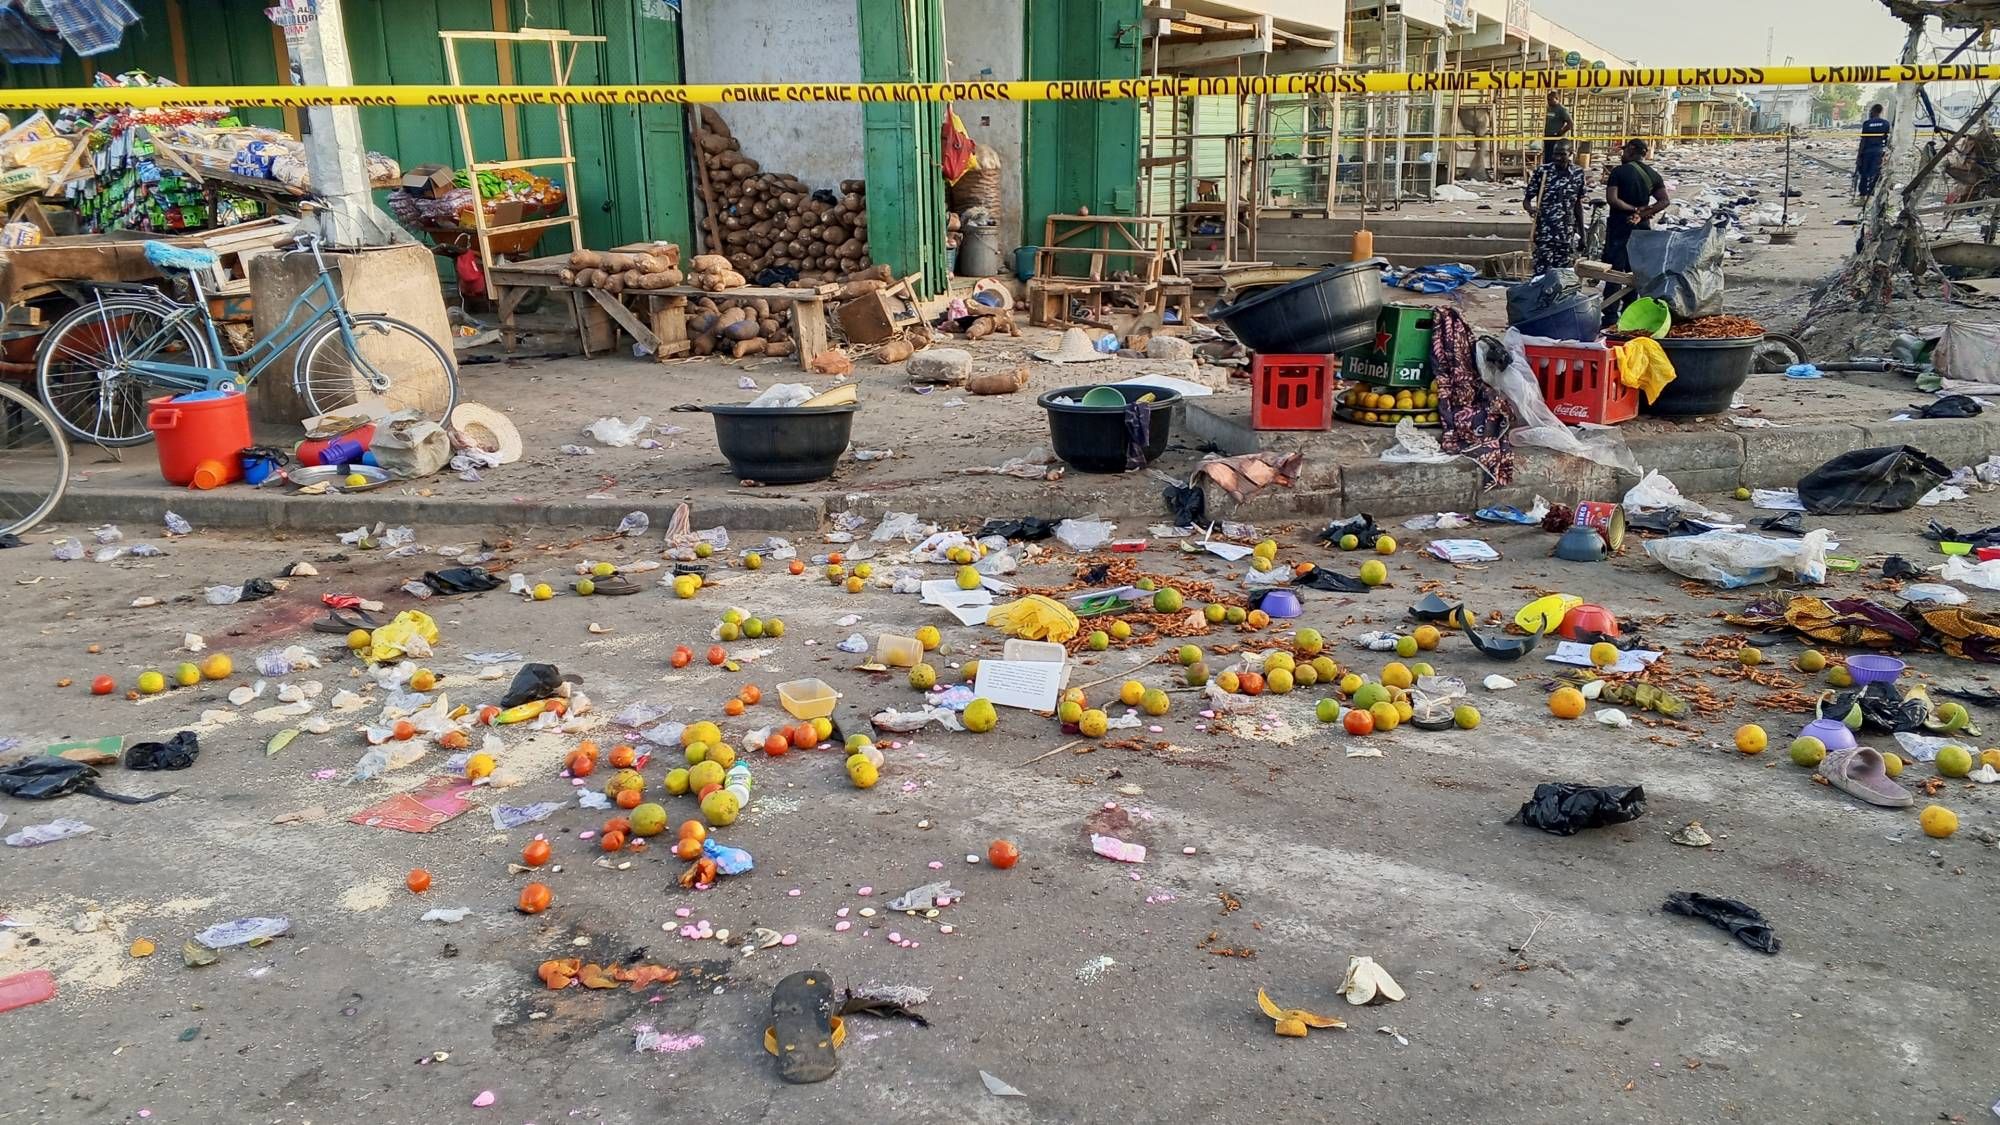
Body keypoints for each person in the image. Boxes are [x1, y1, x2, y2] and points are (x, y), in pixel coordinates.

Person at [1604, 138, 1669, 275]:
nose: (1622, 155)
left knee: (1614, 270)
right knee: (1636, 270)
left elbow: (1612, 200)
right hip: (1641, 226)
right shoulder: (1653, 174)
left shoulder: (1618, 172)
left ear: (1631, 150)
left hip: (1619, 225)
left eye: (1624, 151)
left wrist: (1633, 210)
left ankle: (1613, 290)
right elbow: (1664, 201)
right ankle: (1632, 290)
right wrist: (1642, 213)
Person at [1524, 141, 1587, 274]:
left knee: (1562, 273)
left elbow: (1578, 205)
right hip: (1545, 231)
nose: (1558, 158)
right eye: (1555, 154)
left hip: (1565, 232)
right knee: (1541, 271)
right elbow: (1527, 200)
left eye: (1562, 154)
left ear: (1571, 154)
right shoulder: (1543, 171)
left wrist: (1582, 234)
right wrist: (1530, 209)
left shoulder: (1578, 173)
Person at [1856, 103, 1890, 197]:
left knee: (1864, 173)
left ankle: (1863, 193)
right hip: (1879, 152)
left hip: (1867, 152)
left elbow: (1863, 140)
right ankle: (1872, 193)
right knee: (1875, 173)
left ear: (1873, 111)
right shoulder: (1885, 123)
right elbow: (1887, 140)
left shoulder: (1867, 123)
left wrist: (1859, 156)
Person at [1543, 91, 1573, 166]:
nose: (1548, 101)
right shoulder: (1548, 108)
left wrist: (1560, 133)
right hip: (1547, 137)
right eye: (1548, 99)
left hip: (1555, 138)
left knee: (1554, 156)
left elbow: (1570, 123)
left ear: (1556, 99)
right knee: (1547, 157)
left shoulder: (1562, 109)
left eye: (1550, 99)